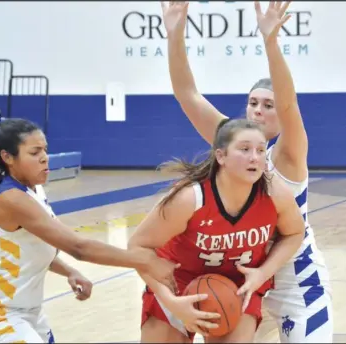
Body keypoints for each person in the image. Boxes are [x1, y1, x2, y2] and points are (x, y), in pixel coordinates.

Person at [161, 1, 333, 342]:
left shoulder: (287, 155)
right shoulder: (235, 144)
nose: (257, 110)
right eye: (253, 102)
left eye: (267, 105)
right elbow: (187, 94)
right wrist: (175, 34)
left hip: (292, 278)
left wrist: (270, 43)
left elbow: (289, 103)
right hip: (238, 275)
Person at [0, 118, 179, 343]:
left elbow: (29, 248)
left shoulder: (34, 190)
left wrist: (69, 271)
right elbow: (78, 247)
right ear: (7, 158)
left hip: (29, 313)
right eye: (34, 153)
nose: (44, 157)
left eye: (45, 150)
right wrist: (145, 261)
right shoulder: (11, 199)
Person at [128, 119, 305, 343]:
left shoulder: (275, 193)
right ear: (221, 156)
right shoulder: (190, 198)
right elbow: (137, 248)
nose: (255, 157)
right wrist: (170, 301)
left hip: (237, 288)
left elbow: (294, 233)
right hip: (176, 284)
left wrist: (263, 273)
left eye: (261, 150)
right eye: (244, 149)